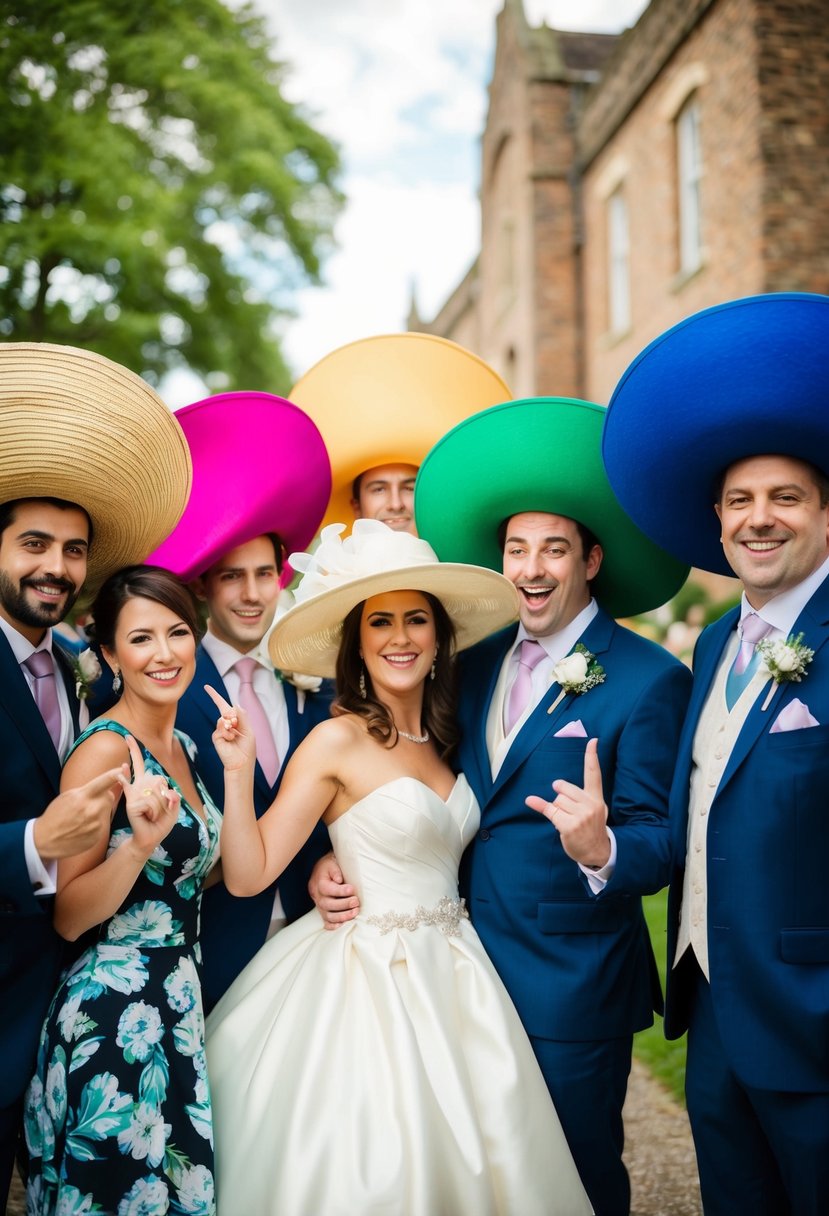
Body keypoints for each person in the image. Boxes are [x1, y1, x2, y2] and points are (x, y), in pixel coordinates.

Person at [314, 396, 692, 1216]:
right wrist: (334, 856)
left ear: (590, 560)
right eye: (516, 549)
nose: (531, 567)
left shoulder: (648, 679)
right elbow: (399, 777)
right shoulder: (468, 663)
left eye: (552, 548)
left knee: (573, 1180)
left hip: (571, 986)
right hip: (455, 975)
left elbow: (660, 845)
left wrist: (601, 849)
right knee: (482, 1180)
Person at [204, 519, 592, 1216]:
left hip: (461, 975)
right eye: (379, 621)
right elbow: (248, 873)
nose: (399, 637)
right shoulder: (334, 740)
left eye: (416, 619)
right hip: (363, 980)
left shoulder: (450, 737)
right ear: (356, 640)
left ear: (440, 637)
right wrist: (238, 777)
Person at [602, 292, 829, 1216]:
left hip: (811, 1008)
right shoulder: (708, 650)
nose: (757, 518)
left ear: (824, 513)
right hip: (709, 996)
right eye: (739, 501)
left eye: (783, 497)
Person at [0, 342, 192, 1210]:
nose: (57, 567)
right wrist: (33, 844)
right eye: (34, 543)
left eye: (74, 551)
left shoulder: (76, 671)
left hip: (59, 1012)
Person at [25, 565, 221, 1216]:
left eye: (177, 632)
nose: (164, 654)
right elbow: (69, 915)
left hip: (176, 1009)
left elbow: (199, 873)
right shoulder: (104, 752)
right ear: (107, 651)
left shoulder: (186, 744)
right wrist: (137, 845)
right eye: (141, 639)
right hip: (113, 1021)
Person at [147, 390, 333, 1008]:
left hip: (319, 939)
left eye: (265, 574)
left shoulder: (316, 678)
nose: (253, 594)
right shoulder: (163, 682)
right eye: (233, 575)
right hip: (210, 951)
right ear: (203, 583)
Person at [289, 331, 511, 536]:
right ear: (356, 507)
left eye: (409, 488)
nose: (395, 504)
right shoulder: (331, 579)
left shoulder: (470, 577)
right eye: (378, 489)